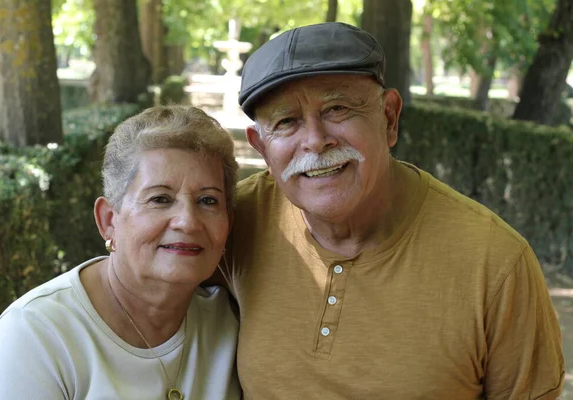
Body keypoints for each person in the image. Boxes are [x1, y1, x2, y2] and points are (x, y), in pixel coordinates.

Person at [220, 22, 565, 398]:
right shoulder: (232, 223)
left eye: (337, 109)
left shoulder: (495, 263)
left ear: (389, 117)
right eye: (286, 122)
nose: (316, 141)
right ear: (261, 148)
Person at [0, 105, 241, 399]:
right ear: (108, 220)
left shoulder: (229, 321)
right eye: (160, 199)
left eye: (208, 200)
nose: (188, 221)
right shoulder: (37, 334)